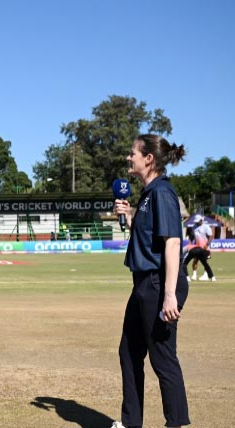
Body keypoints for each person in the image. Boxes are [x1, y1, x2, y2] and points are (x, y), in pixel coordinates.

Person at [112, 134, 190, 428]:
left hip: (160, 284)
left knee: (162, 358)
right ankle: (131, 422)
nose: (128, 157)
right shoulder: (147, 194)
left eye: (132, 153)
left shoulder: (162, 192)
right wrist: (129, 218)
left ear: (148, 159)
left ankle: (176, 423)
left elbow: (172, 242)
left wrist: (169, 294)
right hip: (143, 284)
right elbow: (149, 240)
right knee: (129, 351)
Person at [183, 214, 215, 282]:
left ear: (201, 220)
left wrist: (207, 245)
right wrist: (190, 243)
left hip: (206, 248)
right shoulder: (194, 227)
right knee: (195, 260)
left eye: (198, 221)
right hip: (197, 247)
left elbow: (211, 236)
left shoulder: (206, 227)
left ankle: (206, 275)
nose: (197, 222)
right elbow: (192, 235)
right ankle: (194, 275)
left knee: (205, 261)